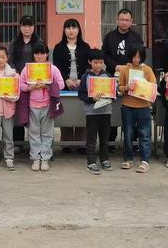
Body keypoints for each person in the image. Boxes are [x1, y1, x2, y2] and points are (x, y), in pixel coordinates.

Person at [102, 8, 144, 151]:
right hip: (112, 75)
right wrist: (116, 66)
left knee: (132, 106)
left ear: (131, 22)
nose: (124, 22)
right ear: (117, 20)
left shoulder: (137, 37)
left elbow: (141, 55)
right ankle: (111, 141)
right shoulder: (109, 37)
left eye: (127, 20)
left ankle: (132, 141)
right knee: (112, 107)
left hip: (132, 76)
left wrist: (131, 65)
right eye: (122, 19)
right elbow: (105, 55)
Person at [19, 43, 64, 172]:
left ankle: (45, 159)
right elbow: (20, 84)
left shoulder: (53, 69)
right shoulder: (27, 69)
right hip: (32, 106)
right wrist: (30, 87)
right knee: (33, 133)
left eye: (42, 53)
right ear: (33, 55)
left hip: (48, 106)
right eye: (37, 53)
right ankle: (35, 159)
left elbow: (60, 84)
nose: (40, 56)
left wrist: (48, 86)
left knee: (47, 133)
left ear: (47, 54)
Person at [52, 18, 90, 152]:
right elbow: (57, 66)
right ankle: (67, 143)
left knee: (81, 112)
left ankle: (81, 143)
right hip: (65, 85)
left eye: (74, 28)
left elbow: (88, 65)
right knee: (67, 112)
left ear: (79, 30)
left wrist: (82, 80)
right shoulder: (58, 47)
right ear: (64, 30)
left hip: (82, 84)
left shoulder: (85, 47)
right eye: (68, 28)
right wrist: (66, 79)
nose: (71, 30)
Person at [117, 45, 156, 173]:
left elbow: (153, 86)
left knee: (144, 134)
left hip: (143, 106)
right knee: (128, 134)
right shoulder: (124, 69)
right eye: (134, 56)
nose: (136, 59)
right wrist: (126, 88)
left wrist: (145, 87)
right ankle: (128, 159)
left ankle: (145, 160)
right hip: (128, 105)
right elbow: (119, 87)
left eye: (139, 57)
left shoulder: (147, 70)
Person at [9, 15, 42, 149]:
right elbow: (10, 60)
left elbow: (42, 60)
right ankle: (18, 142)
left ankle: (35, 143)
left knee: (34, 112)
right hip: (18, 81)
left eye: (30, 26)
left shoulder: (39, 42)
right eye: (24, 26)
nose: (27, 29)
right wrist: (16, 73)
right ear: (20, 27)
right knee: (19, 111)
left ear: (34, 27)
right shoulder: (14, 43)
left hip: (35, 82)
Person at [78, 48, 113, 175]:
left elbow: (113, 94)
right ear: (89, 62)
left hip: (106, 111)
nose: (98, 65)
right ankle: (91, 162)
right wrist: (92, 99)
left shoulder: (108, 76)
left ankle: (104, 160)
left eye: (101, 62)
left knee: (105, 138)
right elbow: (81, 94)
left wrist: (110, 96)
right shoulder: (85, 77)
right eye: (95, 62)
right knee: (91, 138)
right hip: (92, 113)